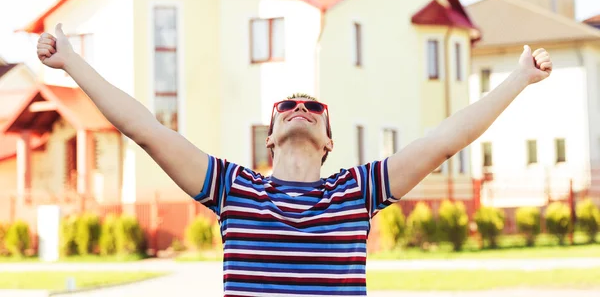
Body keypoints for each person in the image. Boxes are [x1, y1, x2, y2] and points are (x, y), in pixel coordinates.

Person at [37, 23, 552, 296]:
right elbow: (144, 129)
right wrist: (69, 61)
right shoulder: (234, 189)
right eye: (287, 106)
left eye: (313, 108)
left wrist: (519, 78)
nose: (299, 108)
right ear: (270, 136)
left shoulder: (357, 191)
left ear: (328, 140)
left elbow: (444, 139)